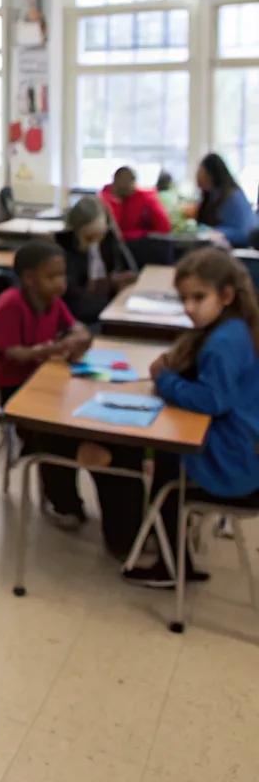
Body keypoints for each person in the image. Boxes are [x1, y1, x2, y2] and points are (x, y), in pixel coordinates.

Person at [0, 241, 141, 551]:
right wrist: (53, 349)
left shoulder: (52, 301)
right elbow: (13, 353)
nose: (61, 283)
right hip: (18, 392)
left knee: (93, 428)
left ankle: (106, 518)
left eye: (62, 275)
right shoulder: (10, 304)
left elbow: (75, 328)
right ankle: (64, 502)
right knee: (57, 435)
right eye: (52, 276)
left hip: (50, 384)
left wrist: (79, 337)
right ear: (29, 278)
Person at [125, 247, 259, 587]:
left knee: (166, 469)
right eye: (183, 298)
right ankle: (172, 556)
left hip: (235, 463)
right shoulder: (234, 328)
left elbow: (212, 400)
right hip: (241, 448)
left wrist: (166, 379)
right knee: (166, 455)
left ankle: (170, 567)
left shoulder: (224, 341)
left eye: (198, 298)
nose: (188, 308)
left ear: (226, 295)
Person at [56, 196, 137, 325]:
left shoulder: (109, 239)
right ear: (75, 231)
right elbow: (75, 297)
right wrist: (110, 283)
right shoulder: (64, 249)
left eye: (101, 234)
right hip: (80, 317)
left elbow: (131, 271)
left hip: (110, 309)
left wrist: (120, 281)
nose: (96, 241)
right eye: (89, 237)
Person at [183, 152, 258, 247]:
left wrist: (217, 232)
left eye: (201, 172)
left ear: (211, 175)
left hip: (236, 251)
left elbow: (246, 232)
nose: (198, 177)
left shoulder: (233, 196)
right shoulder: (211, 195)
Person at [100, 166, 172, 240]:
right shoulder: (104, 199)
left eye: (133, 181)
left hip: (137, 242)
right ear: (117, 180)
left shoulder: (144, 197)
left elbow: (164, 227)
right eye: (127, 181)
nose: (132, 186)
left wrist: (142, 233)